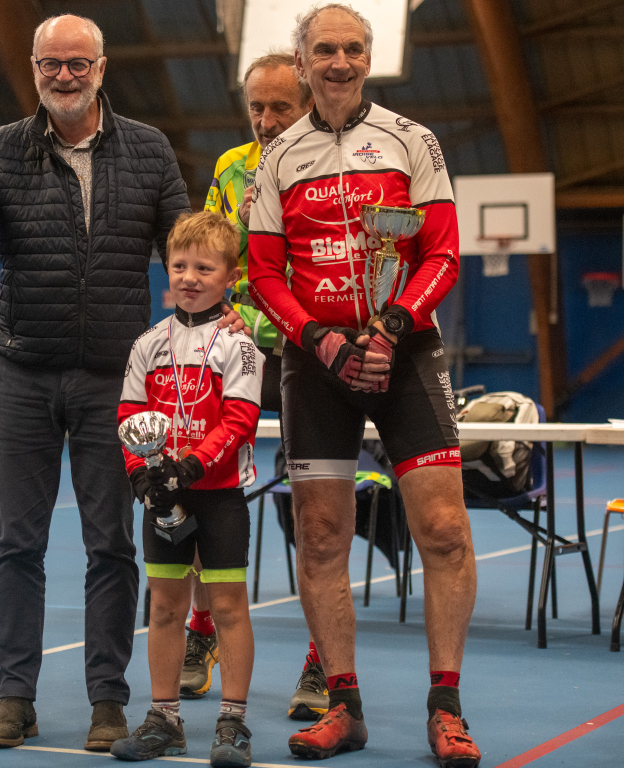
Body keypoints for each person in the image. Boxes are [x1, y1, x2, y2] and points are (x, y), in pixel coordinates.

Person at [0, 14, 244, 751]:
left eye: (77, 64)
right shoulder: (2, 147)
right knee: (18, 544)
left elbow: (185, 244)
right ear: (36, 68)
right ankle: (16, 700)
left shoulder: (148, 148)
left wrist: (220, 305)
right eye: (50, 64)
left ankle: (108, 702)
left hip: (117, 382)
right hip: (24, 373)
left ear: (101, 68)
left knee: (112, 546)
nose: (63, 76)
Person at [247, 4, 480, 767]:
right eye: (325, 50)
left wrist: (391, 327)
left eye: (352, 48)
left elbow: (443, 253)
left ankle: (446, 708)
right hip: (316, 364)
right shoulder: (278, 159)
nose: (339, 61)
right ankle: (342, 706)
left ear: (368, 59)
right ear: (302, 62)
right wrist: (319, 339)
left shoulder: (413, 141)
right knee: (320, 536)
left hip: (403, 354)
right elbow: (263, 273)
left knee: (443, 529)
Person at [190, 52, 325, 722]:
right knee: (200, 491)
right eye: (257, 108)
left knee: (316, 514)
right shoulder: (230, 167)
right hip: (240, 351)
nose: (267, 121)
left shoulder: (334, 168)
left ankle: (324, 659)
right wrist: (244, 228)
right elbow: (211, 259)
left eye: (281, 108)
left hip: (311, 350)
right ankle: (201, 631)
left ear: (309, 106)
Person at [113, 211, 263, 767]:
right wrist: (140, 472)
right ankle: (164, 719)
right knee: (165, 607)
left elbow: (240, 419)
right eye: (180, 266)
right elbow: (129, 416)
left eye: (204, 268)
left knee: (227, 607)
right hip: (163, 496)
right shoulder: (148, 342)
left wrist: (193, 468)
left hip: (217, 493)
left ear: (230, 276)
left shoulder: (240, 344)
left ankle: (233, 723)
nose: (190, 277)